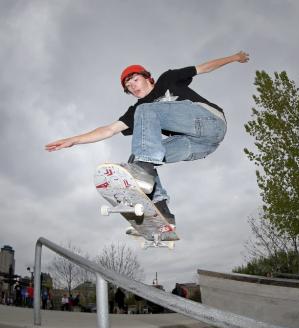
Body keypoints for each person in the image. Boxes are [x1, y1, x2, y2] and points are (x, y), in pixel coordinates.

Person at [45, 51, 249, 232]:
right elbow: (109, 129)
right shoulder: (137, 110)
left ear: (146, 77)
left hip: (210, 121)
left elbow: (203, 68)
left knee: (145, 120)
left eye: (134, 80)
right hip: (201, 146)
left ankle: (143, 176)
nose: (132, 87)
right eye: (128, 86)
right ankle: (161, 214)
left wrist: (234, 58)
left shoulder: (167, 79)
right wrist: (73, 140)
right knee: (136, 160)